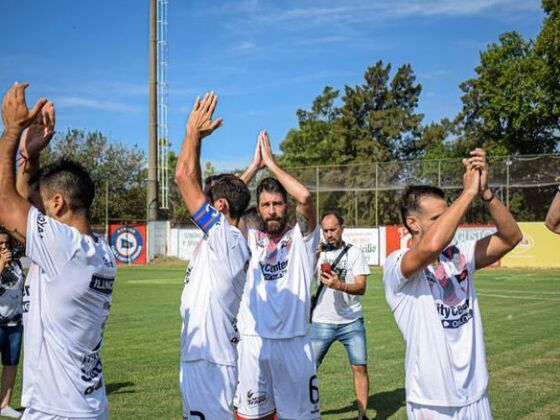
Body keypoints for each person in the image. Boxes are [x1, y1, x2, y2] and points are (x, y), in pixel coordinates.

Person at [0, 82, 117, 419]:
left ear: (58, 202)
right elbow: (26, 202)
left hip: (58, 411)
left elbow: (7, 203)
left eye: (46, 206)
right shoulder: (100, 252)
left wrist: (12, 132)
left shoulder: (63, 250)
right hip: (87, 406)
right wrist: (31, 157)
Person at [383, 148, 522, 419]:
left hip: (475, 394)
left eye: (448, 215)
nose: (450, 223)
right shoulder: (396, 264)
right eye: (438, 218)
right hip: (432, 401)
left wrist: (485, 193)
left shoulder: (459, 255)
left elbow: (511, 237)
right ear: (412, 223)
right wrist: (467, 193)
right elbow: (430, 246)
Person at [175, 92, 251, 419]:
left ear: (219, 207)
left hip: (208, 362)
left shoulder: (225, 238)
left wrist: (191, 132)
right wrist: (199, 141)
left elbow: (182, 177)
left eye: (209, 199)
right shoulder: (223, 240)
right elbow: (196, 180)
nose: (201, 201)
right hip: (206, 358)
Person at [236, 130, 321, 420]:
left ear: (286, 206)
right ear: (257, 209)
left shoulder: (302, 238)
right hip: (253, 340)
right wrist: (253, 167)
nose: (272, 211)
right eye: (265, 205)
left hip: (295, 343)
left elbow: (306, 197)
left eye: (277, 203)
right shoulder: (249, 237)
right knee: (252, 416)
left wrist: (271, 164)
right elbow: (222, 207)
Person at [309, 211, 371, 420]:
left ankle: (362, 416)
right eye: (325, 230)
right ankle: (304, 412)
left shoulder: (354, 253)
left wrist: (339, 285)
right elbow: (298, 277)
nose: (328, 234)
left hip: (351, 321)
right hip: (322, 321)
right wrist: (313, 256)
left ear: (342, 228)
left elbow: (361, 287)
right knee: (307, 368)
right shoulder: (316, 253)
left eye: (333, 229)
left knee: (359, 366)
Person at [0, 229, 25, 419]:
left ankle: (4, 404)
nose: (3, 247)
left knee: (11, 363)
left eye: (6, 244)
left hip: (15, 322)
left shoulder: (16, 263)